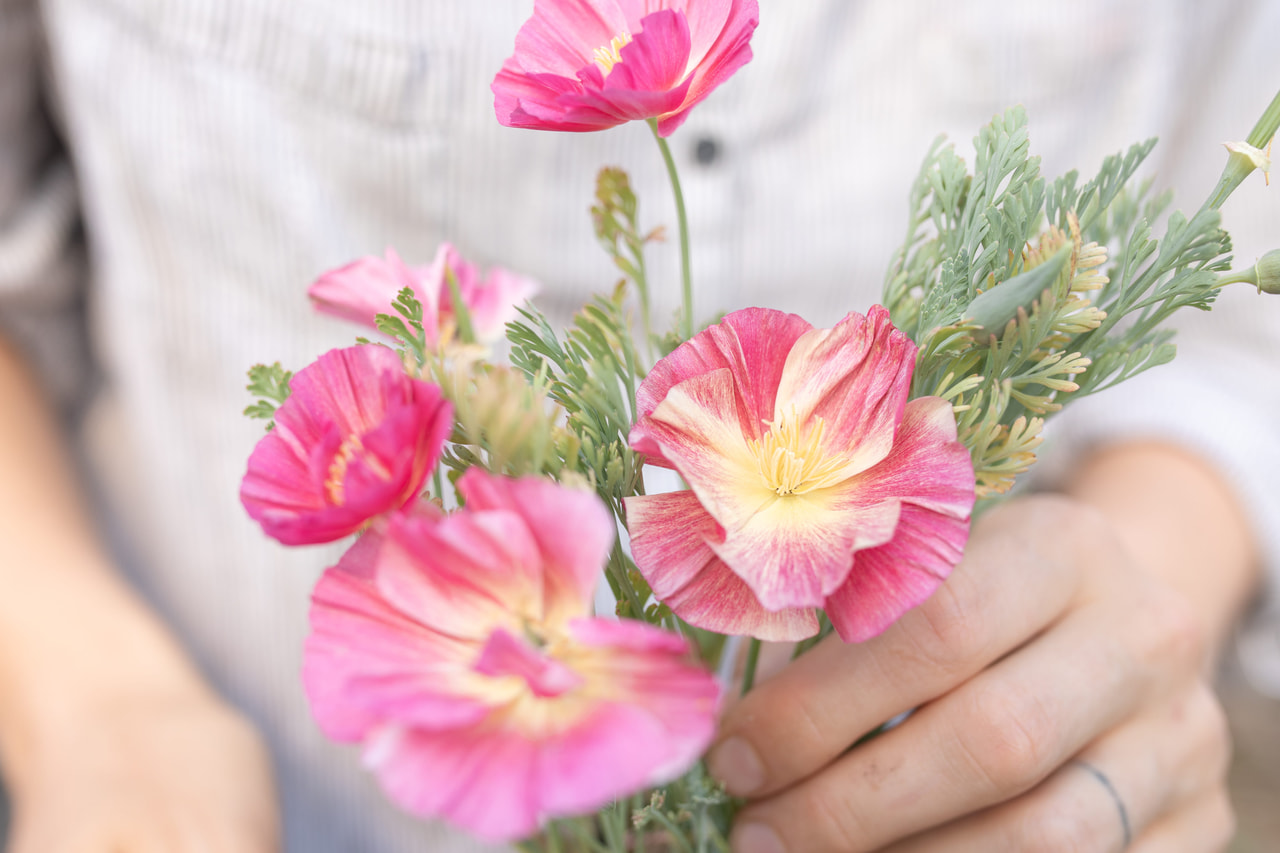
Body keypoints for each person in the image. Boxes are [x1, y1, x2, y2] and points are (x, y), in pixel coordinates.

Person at [0, 0, 1275, 850]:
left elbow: (1237, 325)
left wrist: (1135, 604)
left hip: (946, 802)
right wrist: (93, 706)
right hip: (237, 790)